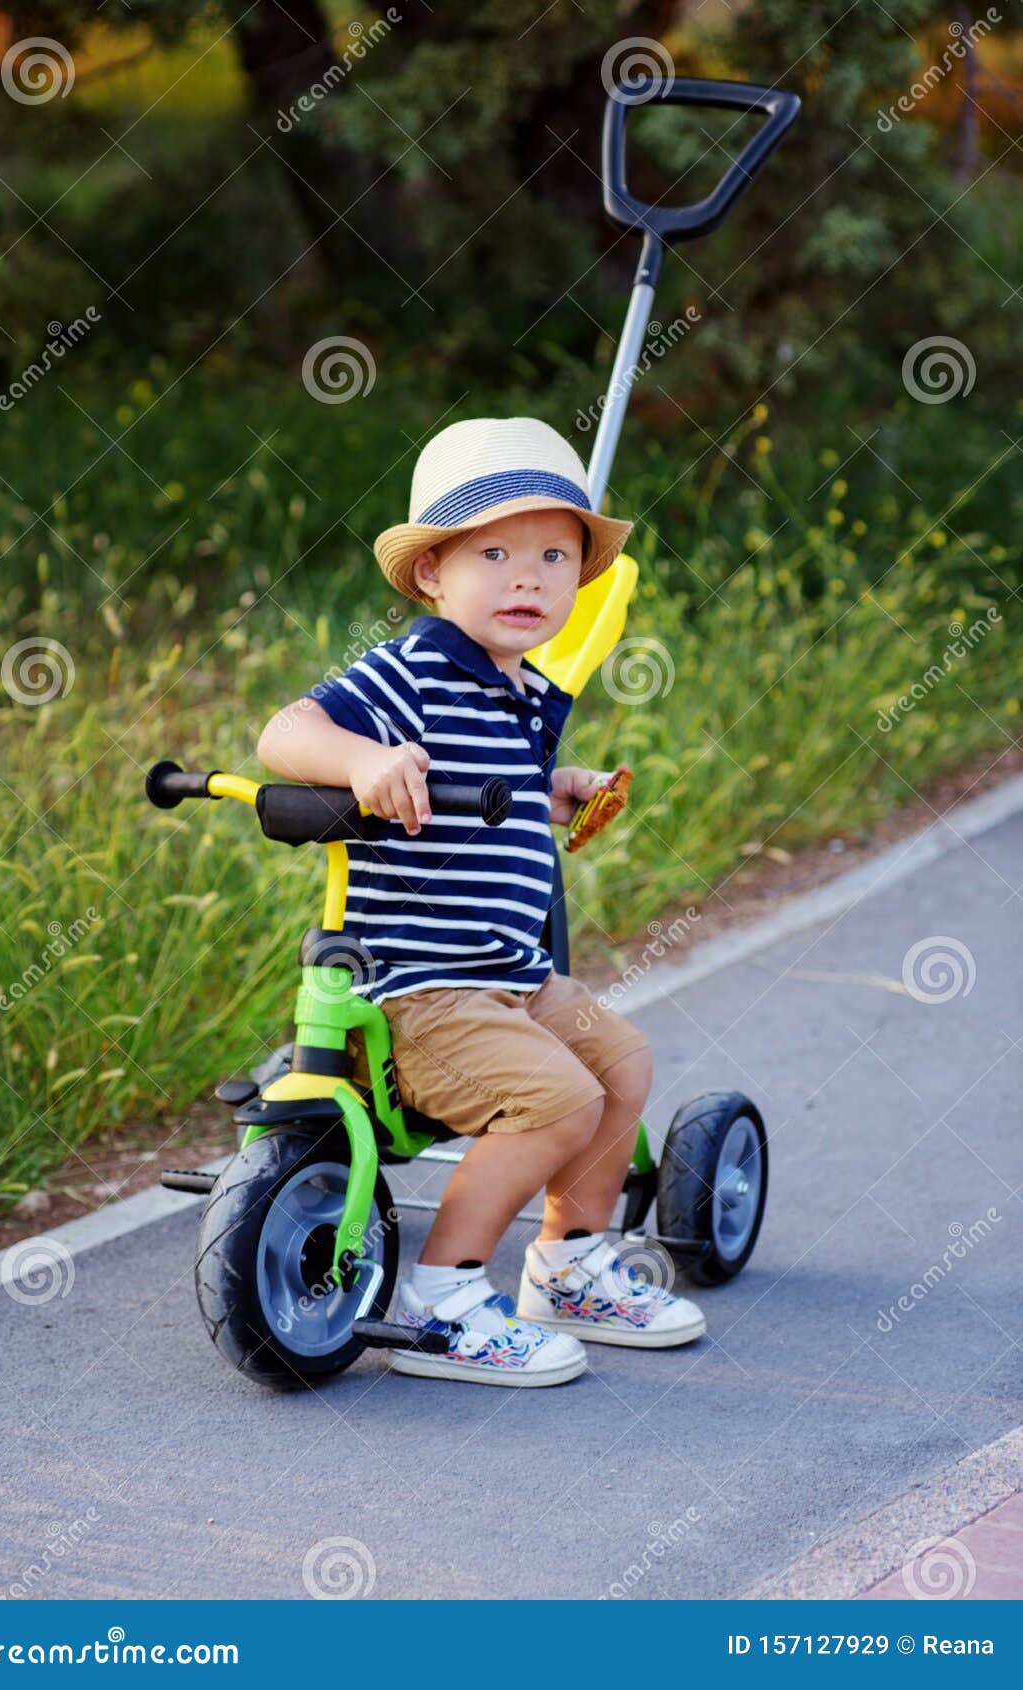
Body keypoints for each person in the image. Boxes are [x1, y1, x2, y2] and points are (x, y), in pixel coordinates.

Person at [257, 416, 705, 1386]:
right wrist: (363, 760)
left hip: (510, 976)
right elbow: (284, 733)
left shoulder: (523, 690)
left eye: (554, 557)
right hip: (423, 990)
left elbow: (494, 787)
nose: (527, 579)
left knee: (621, 1065)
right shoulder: (412, 670)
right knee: (561, 1101)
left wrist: (558, 788)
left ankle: (568, 1265)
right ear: (432, 573)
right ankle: (443, 1296)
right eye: (494, 554)